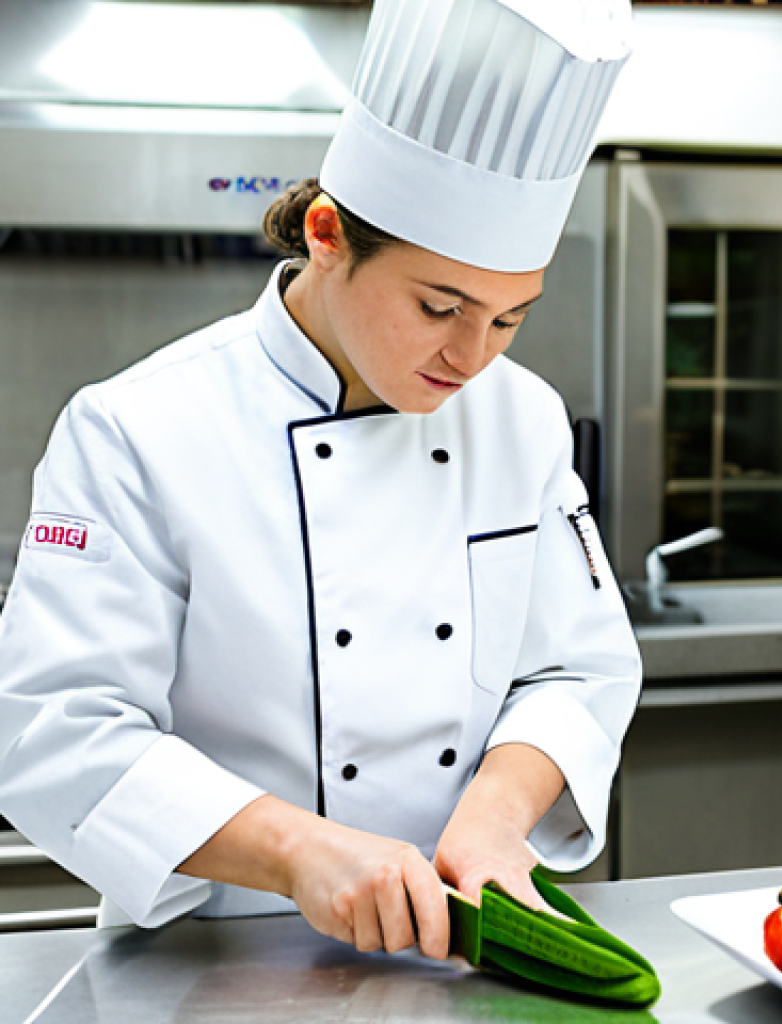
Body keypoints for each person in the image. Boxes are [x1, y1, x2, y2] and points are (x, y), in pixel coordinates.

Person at [0, 0, 640, 960]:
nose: (472, 356)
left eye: (510, 319)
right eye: (440, 306)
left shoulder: (525, 418)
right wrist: (301, 853)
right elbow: (56, 734)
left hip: (457, 952)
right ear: (329, 236)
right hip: (207, 964)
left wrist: (499, 816)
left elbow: (579, 668)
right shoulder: (137, 428)